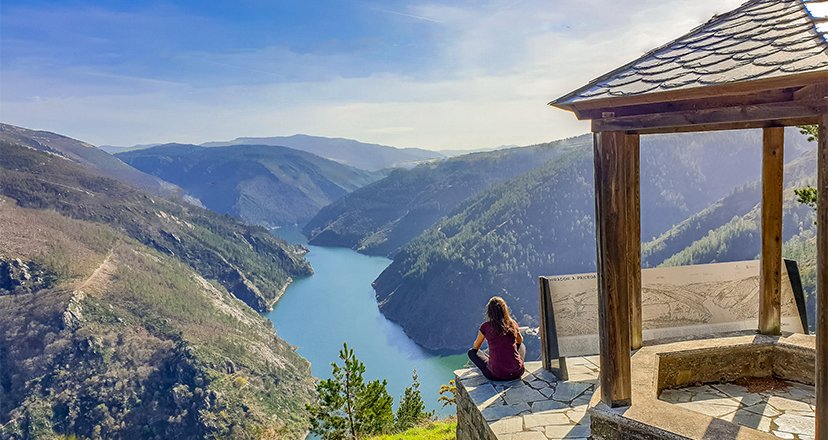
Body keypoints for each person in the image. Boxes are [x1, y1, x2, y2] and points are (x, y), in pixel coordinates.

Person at [468, 296, 526, 381]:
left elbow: (476, 347)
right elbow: (520, 341)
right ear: (504, 310)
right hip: (517, 373)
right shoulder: (512, 323)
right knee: (522, 346)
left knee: (471, 352)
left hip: (496, 375)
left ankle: (494, 362)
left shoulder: (485, 326)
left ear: (489, 312)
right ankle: (514, 364)